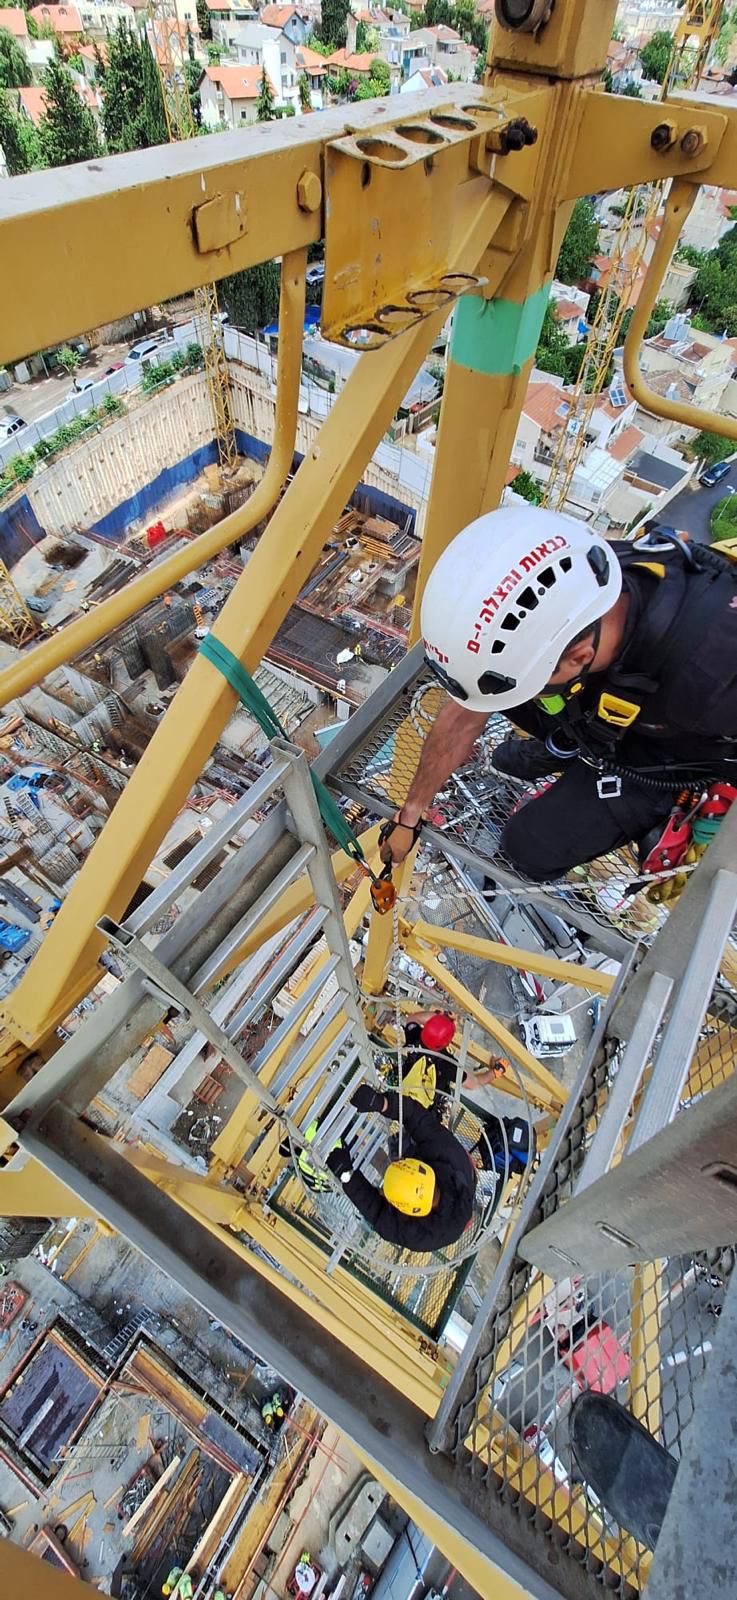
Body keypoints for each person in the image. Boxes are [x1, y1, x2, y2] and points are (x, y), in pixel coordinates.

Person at [379, 506, 737, 884]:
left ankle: (637, 791)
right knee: (506, 729)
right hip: (622, 701)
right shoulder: (583, 579)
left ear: (580, 656)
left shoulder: (712, 682)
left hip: (667, 754)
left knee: (528, 849)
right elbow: (464, 715)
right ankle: (567, 744)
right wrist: (410, 816)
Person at [327, 1086, 476, 1250]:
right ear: (420, 1167)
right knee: (397, 1143)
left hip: (433, 1219)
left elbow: (376, 1212)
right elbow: (416, 1117)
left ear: (405, 1210)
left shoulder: (417, 1235)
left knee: (381, 1165)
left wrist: (346, 1176)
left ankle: (347, 1135)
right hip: (444, 1165)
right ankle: (348, 1126)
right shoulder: (449, 1158)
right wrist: (381, 1103)